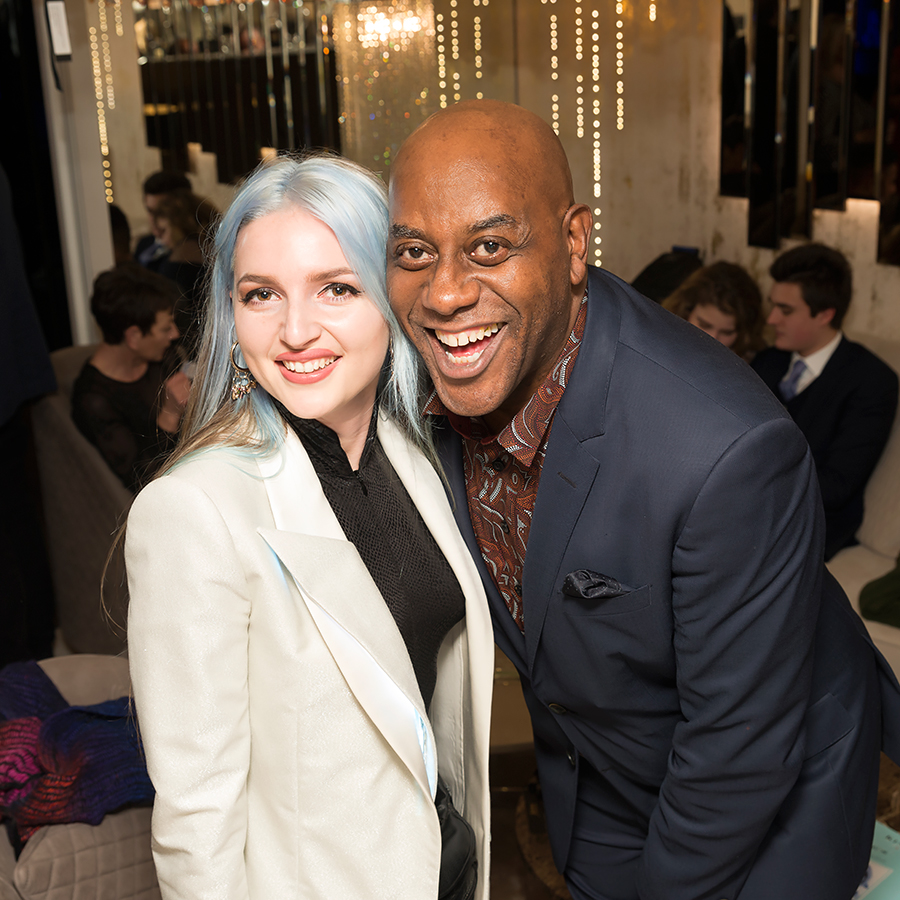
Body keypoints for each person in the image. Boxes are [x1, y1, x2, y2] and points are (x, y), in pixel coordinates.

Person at [386, 99, 900, 900]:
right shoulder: (436, 373)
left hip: (771, 796)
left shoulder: (724, 450)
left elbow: (736, 753)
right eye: (415, 250)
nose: (445, 292)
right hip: (598, 774)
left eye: (490, 245)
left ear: (573, 242)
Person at [124, 153, 493, 900]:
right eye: (262, 294)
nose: (295, 330)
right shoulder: (194, 510)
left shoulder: (416, 453)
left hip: (445, 859)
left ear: (393, 300)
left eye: (336, 288)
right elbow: (197, 813)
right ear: (233, 315)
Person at [752, 243, 898, 560]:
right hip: (749, 506)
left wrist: (748, 479)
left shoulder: (872, 381)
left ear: (825, 314)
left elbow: (836, 486)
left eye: (786, 310)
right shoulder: (768, 361)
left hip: (813, 525)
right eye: (772, 305)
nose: (772, 318)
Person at [71, 264, 189, 492]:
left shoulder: (164, 357)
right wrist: (170, 415)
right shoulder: (94, 400)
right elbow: (144, 482)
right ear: (134, 336)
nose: (175, 334)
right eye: (165, 329)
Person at [151, 188, 218, 351]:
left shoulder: (175, 264)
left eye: (164, 230)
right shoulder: (223, 253)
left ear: (179, 228)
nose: (160, 238)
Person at [663, 260, 766, 361]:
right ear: (685, 313)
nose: (713, 339)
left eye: (727, 332)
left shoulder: (757, 365)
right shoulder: (661, 346)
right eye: (704, 325)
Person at [134, 170, 192, 270]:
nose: (154, 220)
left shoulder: (193, 251)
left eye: (161, 213)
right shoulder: (144, 244)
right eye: (150, 211)